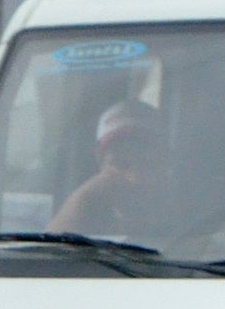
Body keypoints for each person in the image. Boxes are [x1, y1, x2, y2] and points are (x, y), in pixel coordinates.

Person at [49, 99, 171, 241]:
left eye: (145, 162)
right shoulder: (87, 208)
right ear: (100, 159)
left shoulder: (186, 210)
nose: (134, 177)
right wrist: (86, 196)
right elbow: (51, 249)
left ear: (164, 157)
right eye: (122, 163)